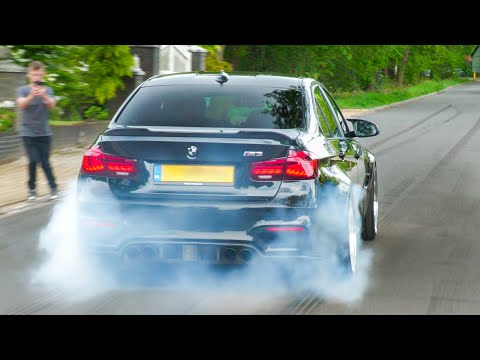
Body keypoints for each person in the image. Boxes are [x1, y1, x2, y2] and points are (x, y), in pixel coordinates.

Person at [16, 61, 58, 201]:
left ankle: (53, 188)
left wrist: (44, 96)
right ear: (29, 75)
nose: (36, 77)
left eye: (39, 74)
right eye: (34, 74)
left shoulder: (48, 90)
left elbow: (51, 105)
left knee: (45, 162)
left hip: (44, 133)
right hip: (28, 133)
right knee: (33, 161)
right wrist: (32, 96)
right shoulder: (23, 90)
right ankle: (32, 190)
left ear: (43, 75)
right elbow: (21, 104)